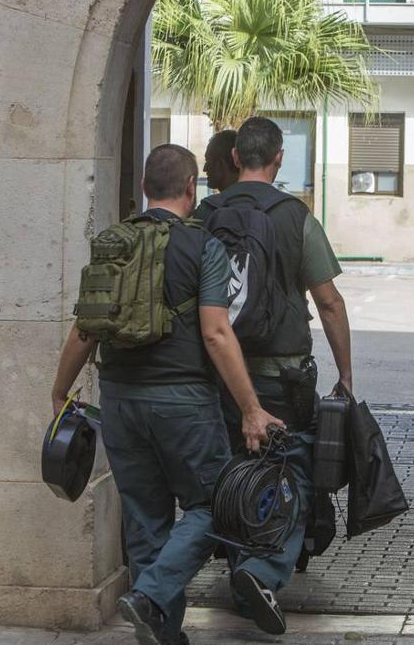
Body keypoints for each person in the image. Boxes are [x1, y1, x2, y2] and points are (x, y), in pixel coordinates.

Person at [50, 144, 284, 645]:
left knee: (146, 519)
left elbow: (84, 328)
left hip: (120, 400)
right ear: (190, 187)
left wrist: (59, 392)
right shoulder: (204, 248)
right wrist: (251, 408)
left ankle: (162, 632)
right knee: (215, 506)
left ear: (142, 188)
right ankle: (151, 596)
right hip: (183, 402)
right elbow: (217, 334)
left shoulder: (112, 242)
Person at [193, 116, 354, 635]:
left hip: (218, 374)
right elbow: (328, 302)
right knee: (291, 477)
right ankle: (260, 572)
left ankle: (238, 568)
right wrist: (346, 375)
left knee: (231, 473)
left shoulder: (204, 214)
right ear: (280, 158)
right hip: (281, 377)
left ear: (235, 158)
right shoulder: (294, 217)